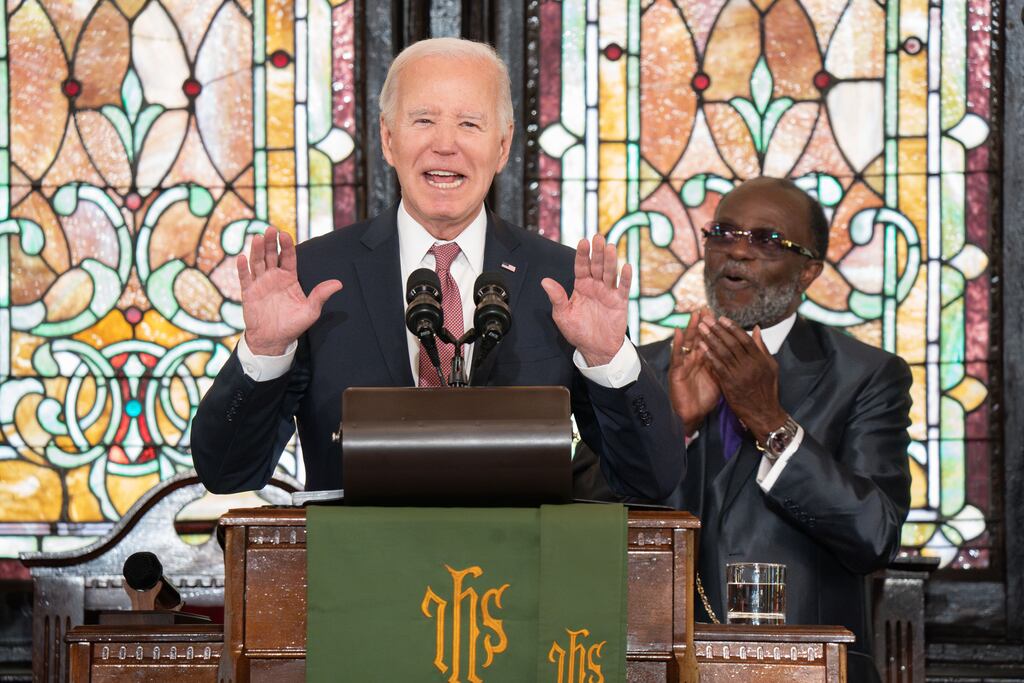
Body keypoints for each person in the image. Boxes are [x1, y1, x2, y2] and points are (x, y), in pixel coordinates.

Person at [190, 38, 685, 500]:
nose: (445, 145)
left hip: (515, 583)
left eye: (470, 124)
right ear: (388, 139)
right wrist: (265, 352)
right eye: (423, 120)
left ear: (503, 145)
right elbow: (227, 473)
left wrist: (609, 359)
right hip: (356, 577)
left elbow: (653, 480)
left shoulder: (560, 283)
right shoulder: (316, 277)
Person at [573, 177, 911, 682]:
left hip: (805, 671)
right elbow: (578, 517)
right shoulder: (639, 371)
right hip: (656, 665)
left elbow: (875, 534)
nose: (738, 253)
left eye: (767, 241)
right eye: (724, 234)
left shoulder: (865, 376)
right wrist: (673, 426)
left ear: (809, 270)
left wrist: (771, 423)